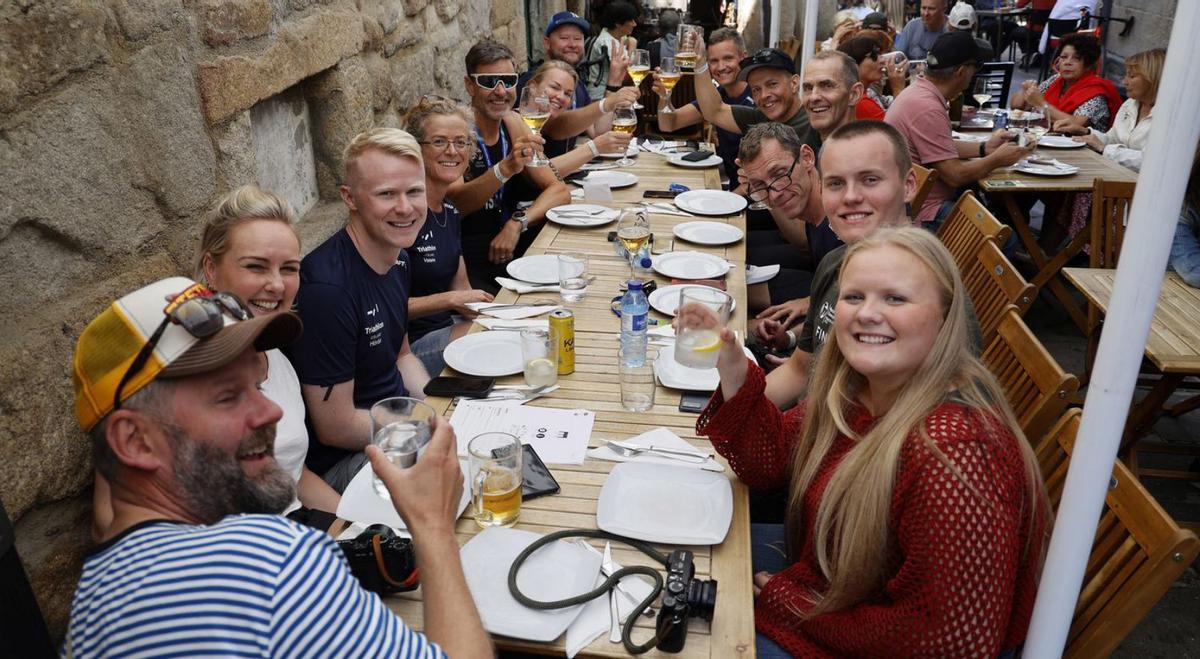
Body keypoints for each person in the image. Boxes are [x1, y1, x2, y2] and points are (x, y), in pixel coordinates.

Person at [66, 277, 491, 658]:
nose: (270, 411)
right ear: (134, 441)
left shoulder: (93, 597)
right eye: (228, 396)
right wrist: (432, 526)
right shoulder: (268, 562)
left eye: (256, 385)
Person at [696, 227, 1048, 657]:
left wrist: (794, 606)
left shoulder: (955, 455)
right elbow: (771, 462)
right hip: (828, 583)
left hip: (860, 634)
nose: (867, 313)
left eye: (895, 298)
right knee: (685, 553)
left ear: (945, 317)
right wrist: (733, 366)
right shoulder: (858, 390)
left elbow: (947, 643)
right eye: (854, 297)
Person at [288, 128, 432, 492]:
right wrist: (423, 427)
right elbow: (335, 427)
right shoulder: (328, 290)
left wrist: (438, 408)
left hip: (398, 424)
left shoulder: (398, 256)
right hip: (346, 462)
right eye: (386, 194)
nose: (405, 208)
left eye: (414, 191)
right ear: (350, 198)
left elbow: (402, 356)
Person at [761, 120, 917, 408]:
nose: (851, 197)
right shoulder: (835, 262)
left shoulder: (929, 293)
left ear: (908, 186)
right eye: (835, 183)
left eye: (870, 179)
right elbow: (798, 371)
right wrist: (730, 412)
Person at [449, 39, 571, 293]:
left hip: (509, 246)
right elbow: (454, 206)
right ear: (469, 86)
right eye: (489, 82)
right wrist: (505, 169)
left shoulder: (512, 122)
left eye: (508, 80)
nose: (501, 91)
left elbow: (559, 191)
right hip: (464, 257)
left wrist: (518, 223)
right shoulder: (457, 130)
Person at [885, 31, 1030, 225]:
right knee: (1005, 239)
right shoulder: (927, 107)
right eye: (976, 66)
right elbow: (954, 175)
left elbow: (937, 145)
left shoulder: (919, 92)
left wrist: (984, 148)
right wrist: (996, 159)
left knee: (988, 205)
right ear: (961, 71)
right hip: (921, 211)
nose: (976, 73)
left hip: (910, 200)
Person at [403, 97, 495, 376]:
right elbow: (382, 305)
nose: (452, 151)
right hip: (410, 350)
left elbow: (463, 291)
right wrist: (448, 300)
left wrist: (510, 316)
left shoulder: (450, 211)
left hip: (450, 327)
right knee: (493, 344)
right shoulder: (403, 217)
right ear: (416, 149)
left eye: (461, 142)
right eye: (440, 142)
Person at [736, 123, 844, 337]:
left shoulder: (840, 215)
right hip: (820, 288)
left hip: (836, 310)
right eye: (759, 185)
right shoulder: (813, 213)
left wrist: (811, 303)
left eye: (779, 173)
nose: (774, 194)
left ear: (806, 157)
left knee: (742, 327)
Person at [518, 11, 640, 158]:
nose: (572, 44)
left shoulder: (577, 85)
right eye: (564, 38)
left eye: (578, 38)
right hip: (543, 174)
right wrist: (606, 104)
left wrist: (613, 83)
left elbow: (597, 131)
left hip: (567, 173)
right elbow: (553, 126)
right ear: (547, 42)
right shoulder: (534, 81)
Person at [651, 27, 753, 185]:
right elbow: (668, 124)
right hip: (728, 184)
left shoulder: (757, 98)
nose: (720, 67)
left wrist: (729, 197)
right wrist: (665, 95)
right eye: (713, 61)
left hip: (751, 193)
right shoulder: (718, 95)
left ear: (743, 58)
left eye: (728, 58)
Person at [686, 46, 821, 151]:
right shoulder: (760, 118)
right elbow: (714, 111)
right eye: (756, 89)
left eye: (772, 84)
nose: (764, 95)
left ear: (794, 83)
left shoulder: (816, 123)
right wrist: (700, 63)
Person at [526, 60, 634, 174]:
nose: (561, 97)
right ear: (532, 87)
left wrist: (610, 98)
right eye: (554, 87)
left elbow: (569, 126)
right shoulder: (518, 121)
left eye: (567, 94)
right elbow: (540, 174)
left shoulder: (551, 123)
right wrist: (595, 147)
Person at [1071, 48, 1163, 171]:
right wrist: (1085, 132)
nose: (1125, 82)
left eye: (1132, 76)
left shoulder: (1168, 115)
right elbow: (1113, 138)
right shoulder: (1130, 104)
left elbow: (1150, 161)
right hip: (1118, 174)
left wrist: (1104, 149)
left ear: (1152, 78)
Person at [1012, 32, 1121, 134]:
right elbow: (1016, 107)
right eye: (1064, 57)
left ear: (1088, 65)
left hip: (1082, 149)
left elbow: (1075, 124)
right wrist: (1024, 90)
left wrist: (1041, 104)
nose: (1067, 62)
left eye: (1076, 58)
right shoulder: (1055, 80)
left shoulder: (1096, 92)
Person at [583, 0, 640, 103]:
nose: (634, 24)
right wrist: (632, 47)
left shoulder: (615, 35)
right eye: (631, 20)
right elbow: (625, 76)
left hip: (614, 92)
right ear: (618, 23)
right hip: (601, 97)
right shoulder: (607, 43)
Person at [800, 51, 864, 141]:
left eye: (827, 86)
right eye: (808, 88)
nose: (813, 97)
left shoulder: (875, 152)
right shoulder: (797, 150)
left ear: (854, 94)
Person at [837, 37, 887, 120]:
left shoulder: (866, 94)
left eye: (880, 54)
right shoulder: (861, 103)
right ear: (854, 64)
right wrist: (898, 87)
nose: (882, 60)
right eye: (873, 56)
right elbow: (895, 130)